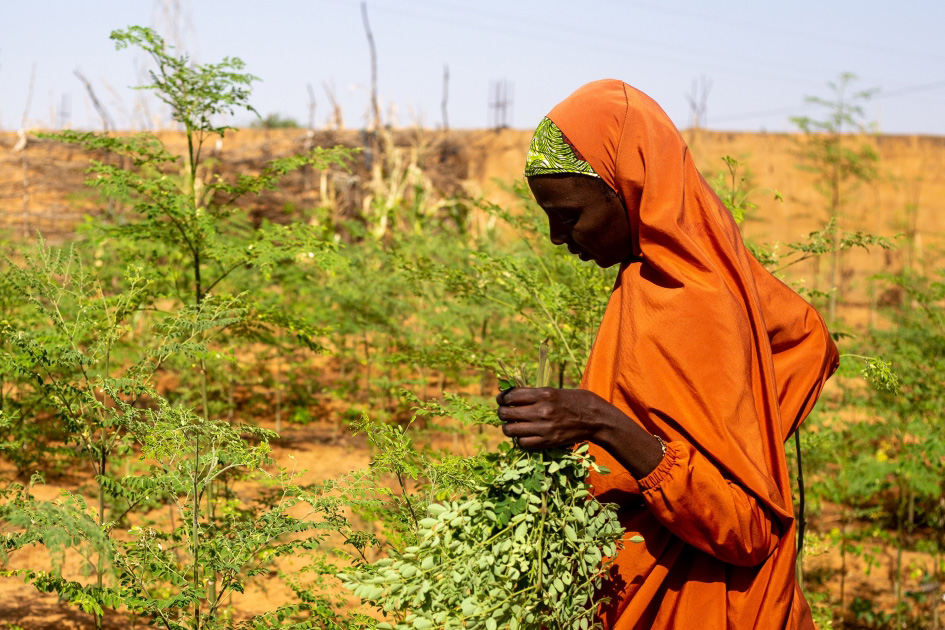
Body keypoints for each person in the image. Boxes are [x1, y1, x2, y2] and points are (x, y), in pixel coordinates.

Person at [496, 79, 839, 629]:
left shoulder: (691, 302)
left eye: (569, 215)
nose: (559, 237)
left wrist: (597, 420)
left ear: (627, 187)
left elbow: (745, 525)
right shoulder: (655, 280)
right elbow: (804, 336)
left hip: (703, 604)